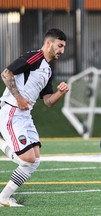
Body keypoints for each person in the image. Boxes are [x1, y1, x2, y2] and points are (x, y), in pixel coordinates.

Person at [0, 28, 69, 207]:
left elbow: (47, 101)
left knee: (34, 161)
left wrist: (60, 93)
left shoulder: (48, 69)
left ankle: (4, 198)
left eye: (63, 47)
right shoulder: (35, 57)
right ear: (48, 43)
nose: (62, 51)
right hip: (12, 111)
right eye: (60, 46)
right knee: (27, 159)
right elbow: (6, 73)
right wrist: (19, 97)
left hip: (25, 115)